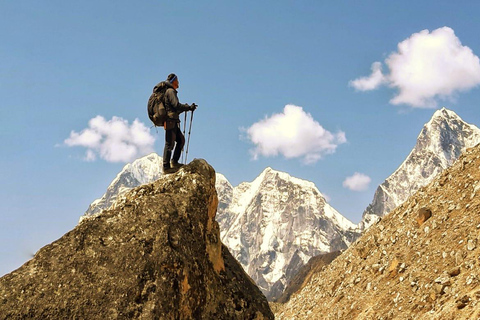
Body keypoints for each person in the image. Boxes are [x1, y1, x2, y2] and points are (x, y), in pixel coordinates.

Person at [162, 73, 197, 174]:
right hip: (170, 121)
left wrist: (187, 108)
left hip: (172, 121)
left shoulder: (169, 92)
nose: (178, 82)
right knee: (169, 144)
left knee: (180, 140)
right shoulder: (170, 91)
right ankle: (166, 167)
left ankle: (174, 162)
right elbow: (176, 105)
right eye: (177, 80)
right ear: (173, 81)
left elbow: (174, 108)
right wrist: (188, 107)